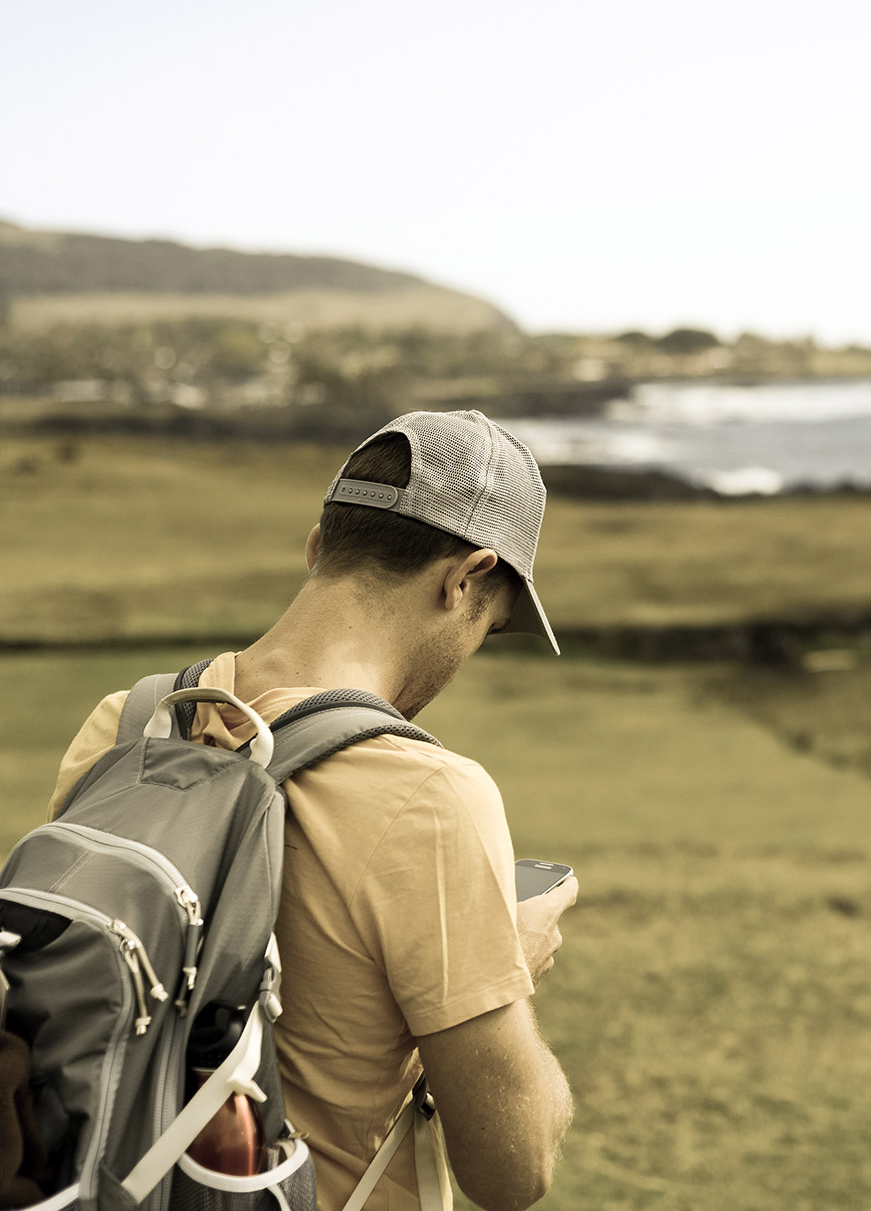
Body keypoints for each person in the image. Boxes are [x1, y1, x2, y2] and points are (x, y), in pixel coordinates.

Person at [47, 410, 574, 1211]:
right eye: (487, 626)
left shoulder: (126, 724)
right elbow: (514, 1169)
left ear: (318, 546)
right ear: (463, 578)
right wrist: (512, 962)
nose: (469, 651)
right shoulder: (432, 796)